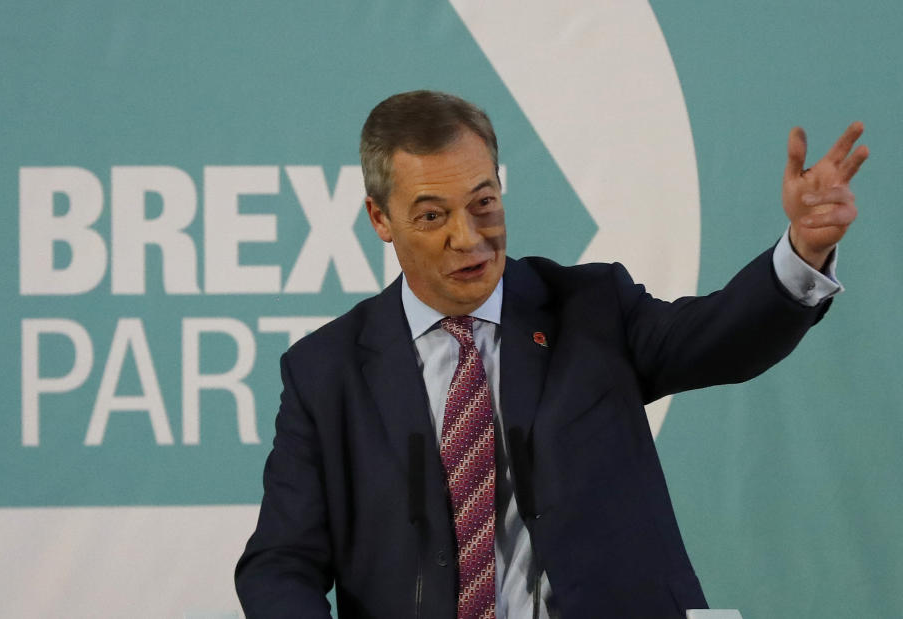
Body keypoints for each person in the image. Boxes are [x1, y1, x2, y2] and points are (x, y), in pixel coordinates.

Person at [235, 90, 868, 618]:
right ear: (380, 218)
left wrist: (802, 253)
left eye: (484, 203)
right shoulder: (328, 372)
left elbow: (720, 339)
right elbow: (279, 564)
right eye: (432, 216)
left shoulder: (590, 308)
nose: (470, 237)